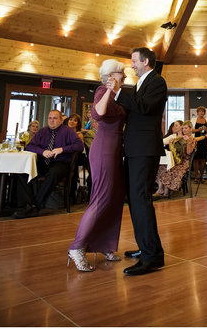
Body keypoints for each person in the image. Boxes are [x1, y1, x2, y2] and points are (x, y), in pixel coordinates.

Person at [67, 59, 127, 272]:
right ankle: (77, 246)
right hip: (103, 150)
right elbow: (97, 114)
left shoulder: (121, 93)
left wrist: (117, 91)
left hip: (115, 150)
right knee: (101, 197)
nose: (126, 76)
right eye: (122, 73)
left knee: (114, 198)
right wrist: (110, 91)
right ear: (111, 76)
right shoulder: (103, 90)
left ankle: (104, 244)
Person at [117, 47, 167, 276]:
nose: (132, 65)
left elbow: (145, 108)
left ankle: (151, 258)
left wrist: (119, 92)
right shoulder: (140, 84)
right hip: (136, 148)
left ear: (146, 61)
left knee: (140, 199)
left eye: (134, 61)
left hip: (145, 149)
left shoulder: (157, 82)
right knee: (135, 199)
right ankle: (148, 248)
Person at [12, 110, 83, 219]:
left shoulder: (68, 131)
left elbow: (79, 146)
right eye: (50, 118)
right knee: (23, 171)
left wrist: (62, 149)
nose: (52, 121)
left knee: (52, 174)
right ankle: (28, 205)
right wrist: (42, 151)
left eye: (55, 118)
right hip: (43, 162)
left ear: (61, 120)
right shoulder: (42, 131)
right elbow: (30, 146)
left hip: (61, 162)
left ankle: (36, 206)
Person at [154, 121, 195, 198]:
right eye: (183, 128)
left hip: (183, 163)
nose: (184, 130)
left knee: (169, 169)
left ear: (190, 129)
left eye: (186, 128)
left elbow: (189, 152)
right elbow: (173, 151)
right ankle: (161, 189)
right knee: (161, 167)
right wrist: (170, 143)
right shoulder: (179, 138)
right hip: (176, 160)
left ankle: (165, 191)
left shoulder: (192, 139)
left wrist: (188, 142)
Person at [191, 106, 207, 184]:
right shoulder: (193, 120)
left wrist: (205, 129)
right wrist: (198, 129)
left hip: (204, 141)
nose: (201, 113)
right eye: (200, 111)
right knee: (196, 159)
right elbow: (191, 130)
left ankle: (202, 176)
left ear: (204, 113)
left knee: (203, 159)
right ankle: (196, 176)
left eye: (203, 111)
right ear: (197, 112)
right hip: (196, 141)